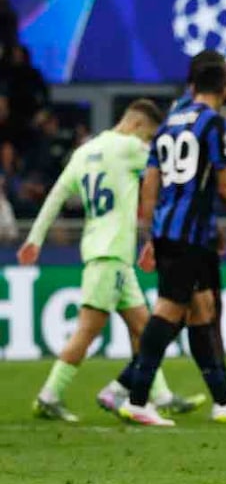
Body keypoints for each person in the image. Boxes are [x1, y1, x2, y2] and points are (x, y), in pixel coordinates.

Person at [19, 100, 203, 422]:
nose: (147, 143)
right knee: (87, 331)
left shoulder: (83, 152)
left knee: (145, 329)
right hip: (111, 256)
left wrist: (35, 239)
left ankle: (158, 395)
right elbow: (167, 172)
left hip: (106, 253)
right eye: (147, 135)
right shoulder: (131, 148)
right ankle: (49, 395)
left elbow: (56, 196)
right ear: (135, 125)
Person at [115, 50, 226, 426]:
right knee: (169, 311)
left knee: (202, 311)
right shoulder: (214, 124)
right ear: (221, 82)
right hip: (188, 235)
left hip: (180, 231)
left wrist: (153, 231)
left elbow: (151, 182)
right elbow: (225, 188)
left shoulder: (170, 123)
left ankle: (224, 400)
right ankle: (136, 398)